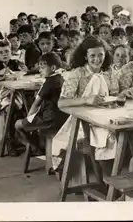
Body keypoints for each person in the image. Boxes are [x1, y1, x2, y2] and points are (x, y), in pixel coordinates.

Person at [51, 36, 119, 175]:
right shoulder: (77, 74)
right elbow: (61, 103)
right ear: (86, 56)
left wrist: (121, 96)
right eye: (92, 55)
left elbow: (113, 95)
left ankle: (116, 178)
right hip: (82, 123)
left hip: (105, 117)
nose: (97, 59)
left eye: (100, 55)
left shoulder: (109, 72)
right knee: (106, 140)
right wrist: (86, 100)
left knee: (129, 136)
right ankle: (108, 183)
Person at [15, 52, 67, 156]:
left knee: (18, 124)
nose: (40, 70)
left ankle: (36, 148)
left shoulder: (49, 82)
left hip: (50, 119)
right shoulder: (61, 78)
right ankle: (38, 144)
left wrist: (28, 118)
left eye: (43, 68)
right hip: (63, 117)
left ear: (52, 68)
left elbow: (36, 103)